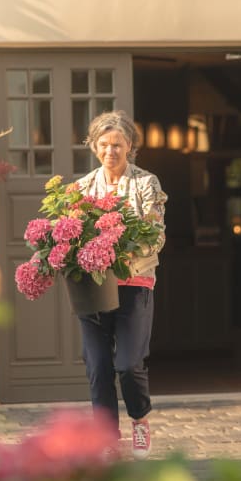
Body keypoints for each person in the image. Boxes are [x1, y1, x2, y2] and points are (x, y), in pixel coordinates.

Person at [75, 110, 167, 460]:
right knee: (97, 366)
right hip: (93, 288)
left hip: (135, 282)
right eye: (104, 144)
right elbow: (69, 237)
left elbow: (156, 236)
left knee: (128, 363)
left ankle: (140, 419)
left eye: (118, 144)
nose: (111, 150)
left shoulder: (147, 183)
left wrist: (114, 249)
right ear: (94, 147)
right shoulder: (82, 188)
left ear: (130, 146)